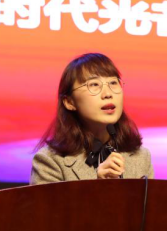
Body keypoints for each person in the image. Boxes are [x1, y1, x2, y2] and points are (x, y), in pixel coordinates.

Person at [31, 53, 154, 185]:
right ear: (69, 102)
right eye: (94, 84)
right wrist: (96, 188)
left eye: (113, 83)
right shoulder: (50, 161)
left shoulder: (141, 157)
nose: (108, 94)